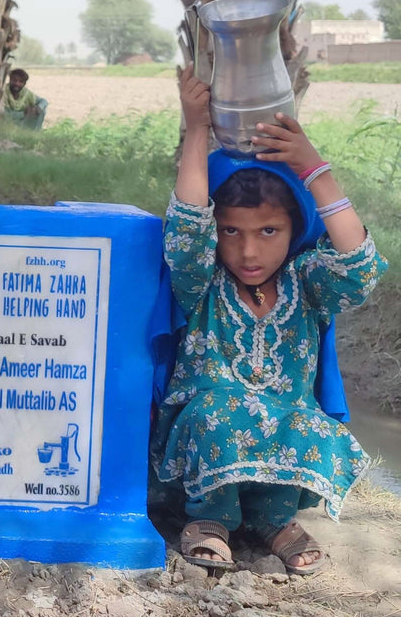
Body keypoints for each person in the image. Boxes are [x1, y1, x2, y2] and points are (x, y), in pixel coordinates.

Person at [152, 68, 387, 573]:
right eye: (231, 230)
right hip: (203, 438)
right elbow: (188, 227)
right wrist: (197, 130)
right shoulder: (202, 281)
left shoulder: (308, 281)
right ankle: (210, 518)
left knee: (308, 423)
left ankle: (270, 519)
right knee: (219, 414)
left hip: (281, 426)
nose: (248, 250)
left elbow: (360, 267)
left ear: (295, 228)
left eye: (268, 230)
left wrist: (315, 169)